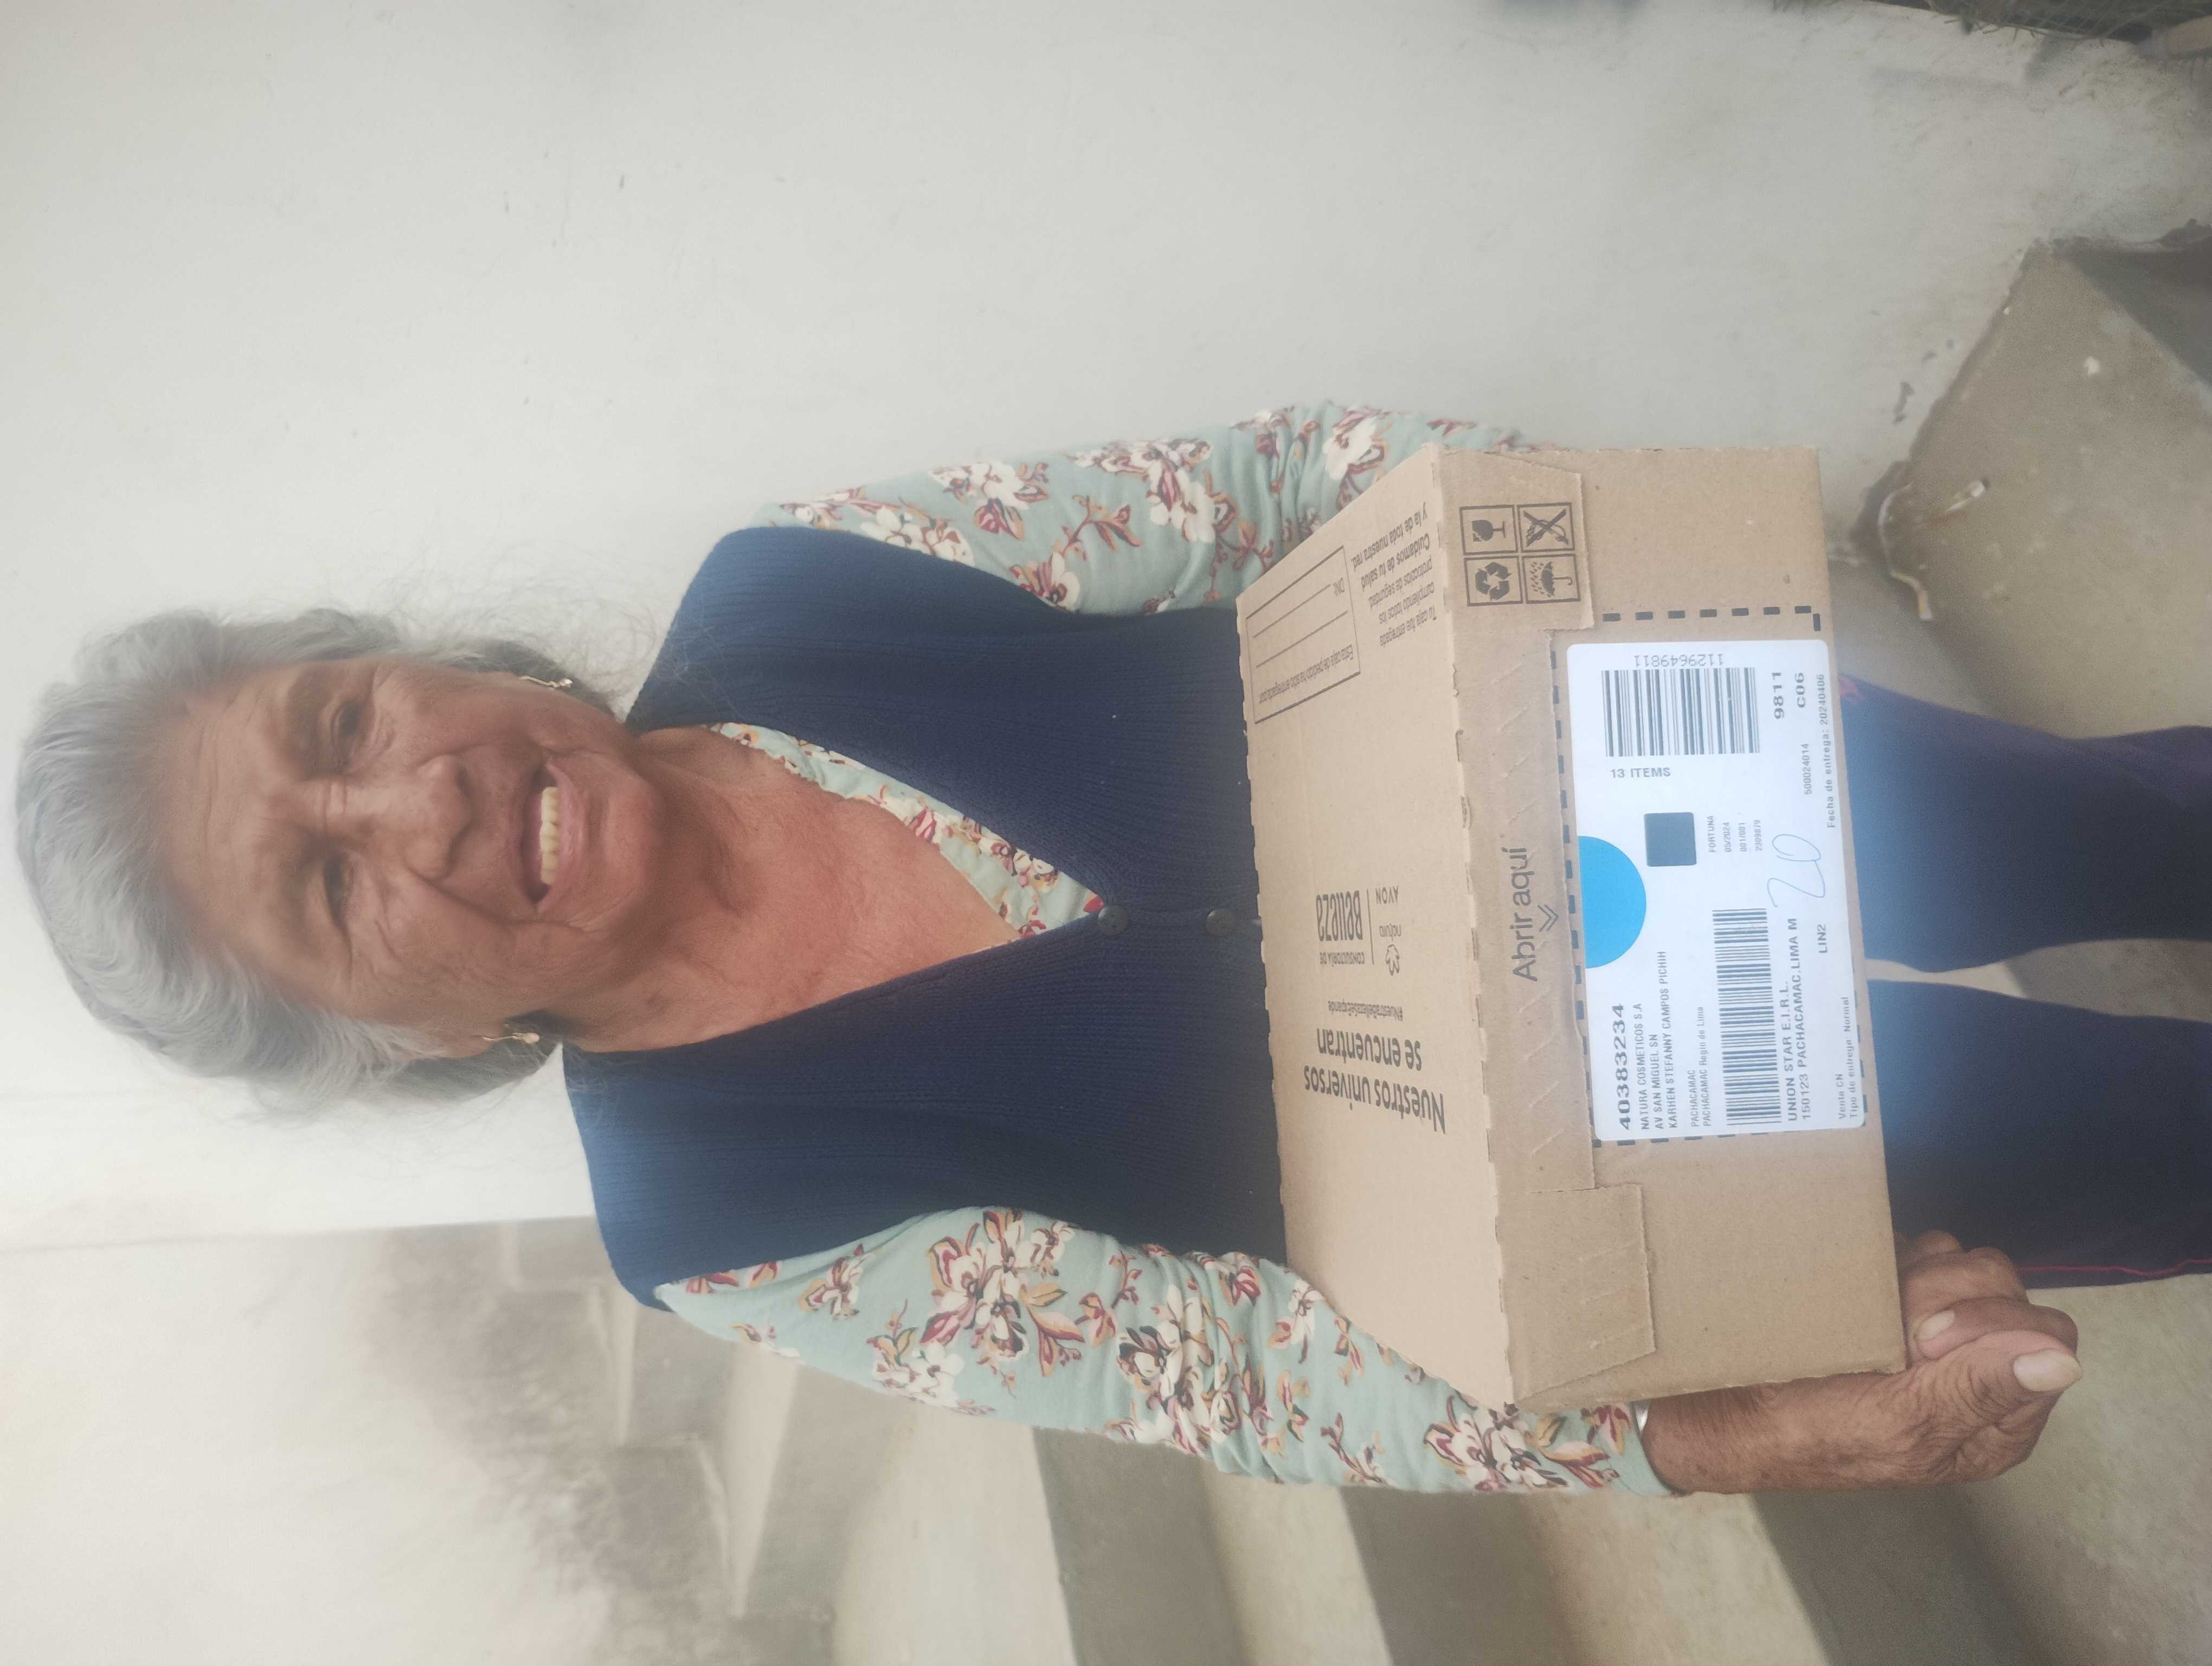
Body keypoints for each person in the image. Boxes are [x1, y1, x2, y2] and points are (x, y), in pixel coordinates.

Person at [22, 402, 2201, 1497]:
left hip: (1683, 785)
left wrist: (1553, 546)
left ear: (403, 662)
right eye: (326, 888)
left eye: (341, 726)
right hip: (1684, 1177)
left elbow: (1279, 481)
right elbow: (1239, 1376)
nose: (415, 799)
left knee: (2131, 819)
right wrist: (1737, 1430)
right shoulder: (725, 1215)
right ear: (404, 1048)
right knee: (2165, 1147)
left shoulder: (806, 589)